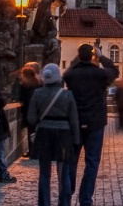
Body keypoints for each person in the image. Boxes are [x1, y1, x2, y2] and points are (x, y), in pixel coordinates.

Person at [63, 43, 118, 206]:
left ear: (79, 56)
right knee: (92, 162)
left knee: (71, 161)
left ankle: (68, 193)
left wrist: (77, 59)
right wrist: (100, 56)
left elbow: (66, 72)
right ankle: (85, 199)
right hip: (95, 123)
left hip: (75, 122)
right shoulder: (100, 74)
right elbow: (115, 71)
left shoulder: (71, 76)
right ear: (93, 56)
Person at [27, 64, 79, 206]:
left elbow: (31, 118)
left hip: (44, 133)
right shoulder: (67, 95)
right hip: (63, 135)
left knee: (44, 173)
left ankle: (44, 203)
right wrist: (76, 139)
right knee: (64, 173)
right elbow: (74, 120)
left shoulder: (37, 94)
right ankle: (64, 202)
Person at [19, 62, 43, 158]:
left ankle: (32, 151)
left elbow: (22, 98)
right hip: (39, 110)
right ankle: (37, 151)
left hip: (29, 111)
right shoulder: (39, 82)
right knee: (37, 131)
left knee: (31, 132)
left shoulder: (24, 84)